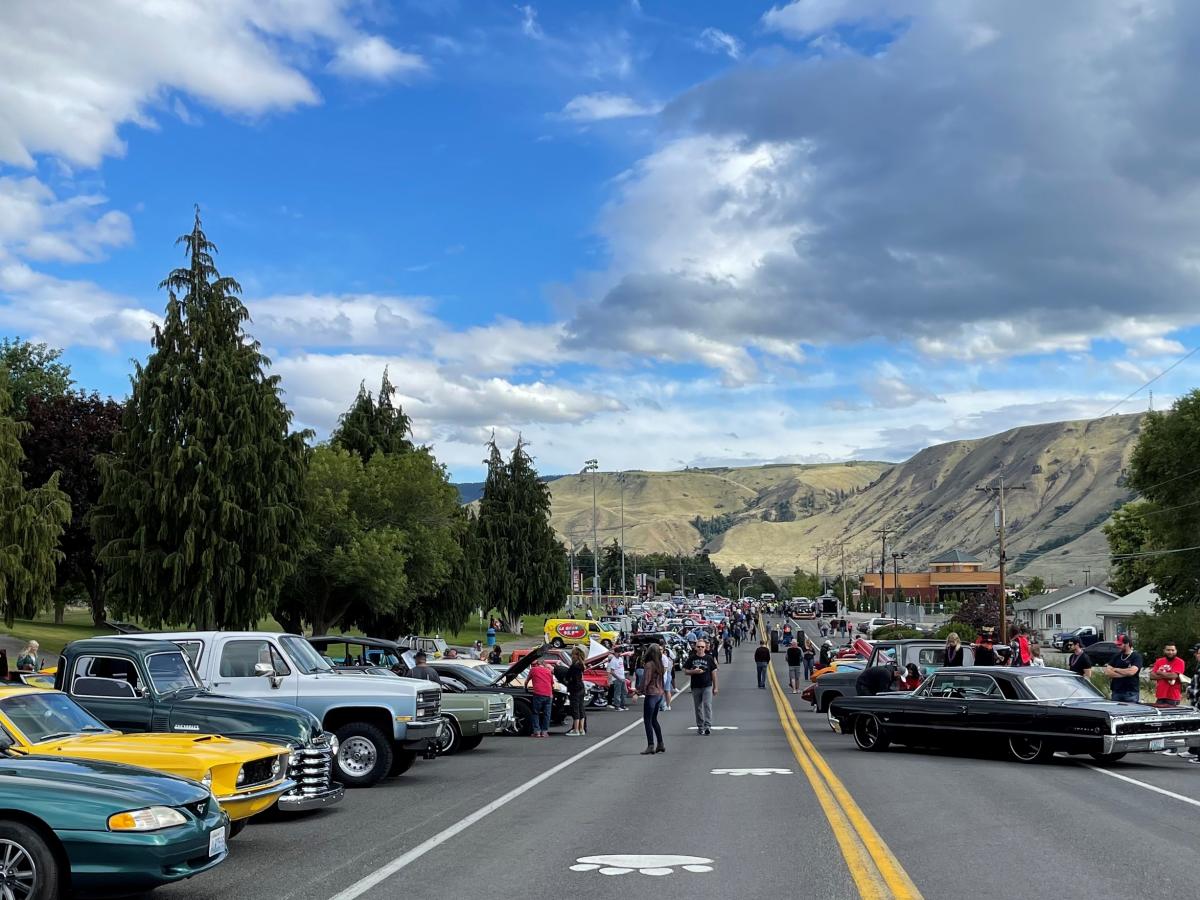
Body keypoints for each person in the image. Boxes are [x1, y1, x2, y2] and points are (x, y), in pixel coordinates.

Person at [684, 638, 719, 735]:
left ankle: (707, 726)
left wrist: (715, 687)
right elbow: (686, 671)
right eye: (698, 647)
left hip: (707, 685)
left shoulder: (709, 658)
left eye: (702, 647)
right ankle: (700, 726)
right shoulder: (692, 658)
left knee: (707, 705)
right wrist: (694, 671)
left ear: (705, 648)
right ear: (695, 647)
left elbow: (714, 673)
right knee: (698, 707)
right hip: (695, 686)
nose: (700, 649)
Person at [640, 643, 666, 755]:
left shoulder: (649, 664)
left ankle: (651, 745)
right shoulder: (659, 664)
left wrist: (638, 691)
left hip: (651, 693)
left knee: (647, 720)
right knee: (654, 719)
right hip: (659, 694)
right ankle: (660, 743)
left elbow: (646, 680)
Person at [1104, 635, 1143, 703]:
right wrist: (1125, 673)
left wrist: (1116, 669)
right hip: (1116, 691)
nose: (1118, 646)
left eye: (1120, 644)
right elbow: (1107, 672)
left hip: (1130, 692)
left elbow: (1132, 672)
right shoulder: (1116, 656)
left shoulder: (1136, 656)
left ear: (1127, 644)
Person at [528, 658, 554, 738]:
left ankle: (537, 732)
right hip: (548, 694)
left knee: (536, 713)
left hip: (538, 693)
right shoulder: (548, 671)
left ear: (537, 664)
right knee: (547, 714)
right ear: (544, 664)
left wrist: (526, 686)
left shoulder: (533, 670)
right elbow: (551, 683)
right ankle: (544, 732)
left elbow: (527, 680)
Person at [565, 647, 588, 735]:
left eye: (572, 654)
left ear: (575, 655)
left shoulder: (574, 666)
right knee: (581, 708)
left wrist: (568, 681)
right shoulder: (581, 665)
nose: (571, 656)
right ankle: (581, 729)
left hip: (574, 689)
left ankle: (576, 730)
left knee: (575, 709)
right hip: (581, 687)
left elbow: (568, 677)